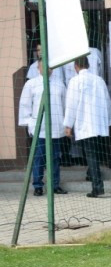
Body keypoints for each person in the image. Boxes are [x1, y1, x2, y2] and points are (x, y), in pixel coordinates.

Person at [62, 56, 111, 198]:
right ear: (89, 65)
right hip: (98, 124)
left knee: (91, 155)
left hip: (85, 124)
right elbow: (107, 101)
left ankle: (97, 187)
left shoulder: (74, 81)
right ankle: (96, 182)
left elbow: (71, 104)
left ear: (75, 66)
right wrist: (109, 121)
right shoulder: (99, 80)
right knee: (94, 154)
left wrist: (68, 124)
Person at [18, 58, 67, 196]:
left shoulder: (59, 84)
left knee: (55, 157)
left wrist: (66, 122)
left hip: (56, 127)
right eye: (43, 66)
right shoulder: (31, 84)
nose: (47, 69)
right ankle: (38, 185)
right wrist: (29, 123)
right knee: (39, 157)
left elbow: (64, 105)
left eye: (49, 66)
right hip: (39, 127)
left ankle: (55, 185)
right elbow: (25, 104)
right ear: (38, 68)